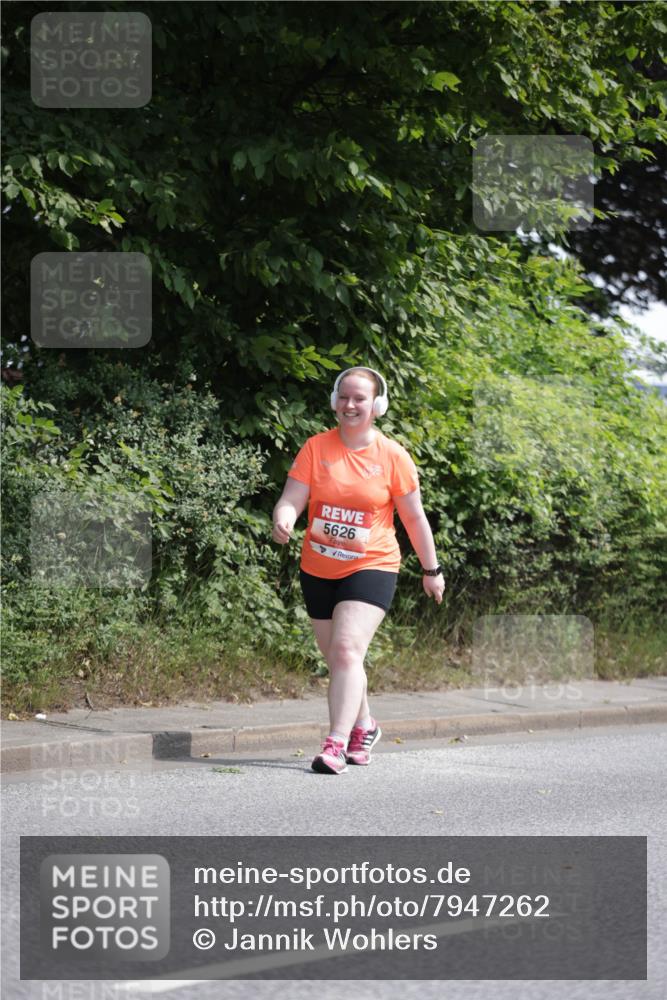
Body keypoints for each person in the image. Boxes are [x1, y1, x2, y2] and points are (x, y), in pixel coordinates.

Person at [272, 366, 445, 774]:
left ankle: (334, 744)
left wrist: (431, 569)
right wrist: (284, 517)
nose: (351, 405)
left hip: (372, 564)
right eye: (344, 397)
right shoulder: (317, 447)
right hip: (317, 566)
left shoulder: (392, 457)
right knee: (340, 660)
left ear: (376, 406)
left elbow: (415, 519)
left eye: (360, 399)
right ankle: (364, 725)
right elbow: (292, 497)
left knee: (347, 649)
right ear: (335, 401)